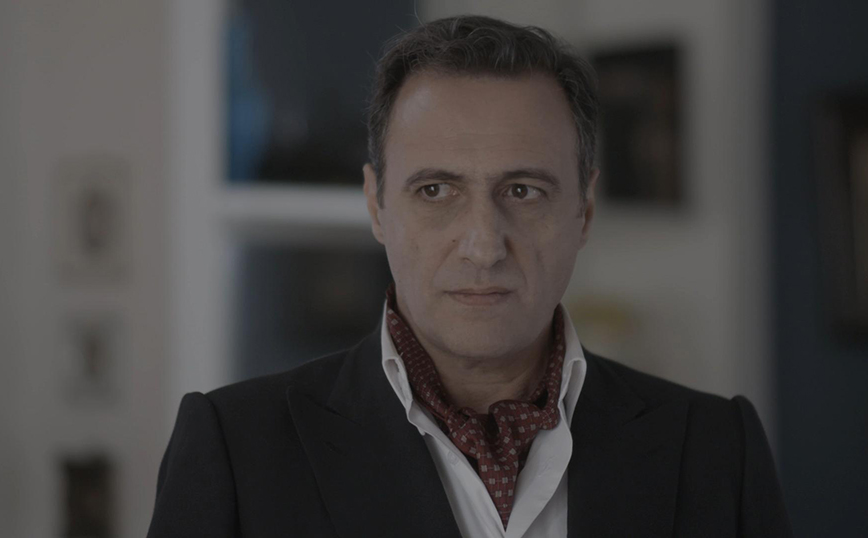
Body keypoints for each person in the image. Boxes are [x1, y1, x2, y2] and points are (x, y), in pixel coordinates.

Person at [147, 15, 792, 538]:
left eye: (523, 190)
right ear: (376, 205)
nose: (483, 246)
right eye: (435, 190)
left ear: (585, 211)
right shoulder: (235, 448)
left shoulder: (716, 449)